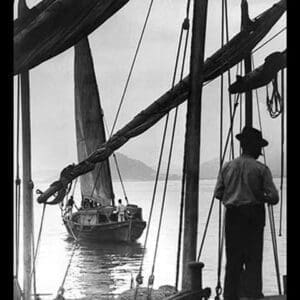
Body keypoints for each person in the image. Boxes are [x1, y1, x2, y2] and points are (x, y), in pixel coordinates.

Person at [214, 126, 279, 300]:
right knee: (253, 263)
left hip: (233, 218)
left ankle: (230, 297)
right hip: (253, 218)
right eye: (259, 147)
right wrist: (259, 195)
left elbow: (218, 194)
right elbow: (274, 197)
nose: (260, 151)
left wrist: (234, 195)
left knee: (233, 263)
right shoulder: (260, 169)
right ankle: (253, 296)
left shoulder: (227, 167)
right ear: (253, 146)